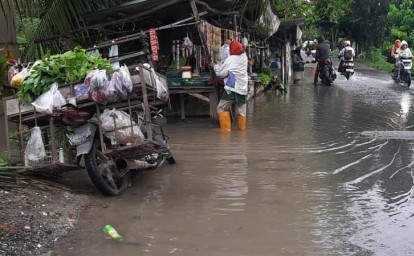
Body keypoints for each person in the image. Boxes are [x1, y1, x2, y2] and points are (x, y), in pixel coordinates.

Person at [210, 41, 248, 131]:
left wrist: (215, 66)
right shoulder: (244, 57)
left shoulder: (230, 59)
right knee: (241, 112)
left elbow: (221, 73)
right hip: (242, 89)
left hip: (232, 88)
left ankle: (226, 133)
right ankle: (242, 133)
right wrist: (232, 42)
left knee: (221, 109)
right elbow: (242, 49)